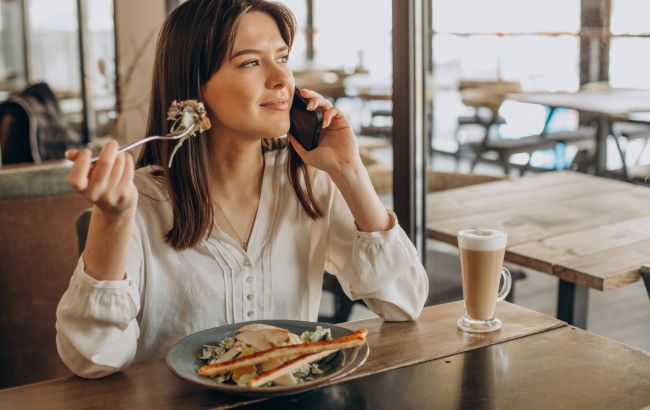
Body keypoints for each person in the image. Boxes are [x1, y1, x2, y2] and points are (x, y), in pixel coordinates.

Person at [56, 0, 428, 378]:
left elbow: (405, 302)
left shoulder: (308, 182)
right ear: (193, 90)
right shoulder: (140, 203)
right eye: (251, 62)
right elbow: (92, 359)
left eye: (282, 58)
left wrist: (349, 170)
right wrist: (113, 217)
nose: (282, 79)